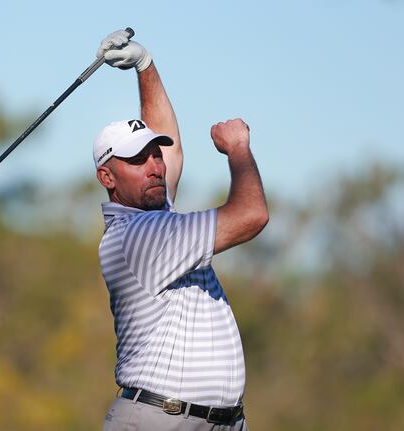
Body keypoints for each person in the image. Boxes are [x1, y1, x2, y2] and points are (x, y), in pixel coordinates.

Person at [94, 30, 269, 431]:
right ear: (107, 176)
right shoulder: (139, 236)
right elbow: (251, 215)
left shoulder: (151, 207)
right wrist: (239, 148)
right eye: (138, 159)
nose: (155, 165)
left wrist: (145, 65)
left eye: (155, 154)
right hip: (161, 420)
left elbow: (169, 152)